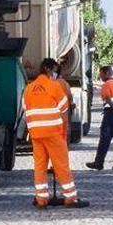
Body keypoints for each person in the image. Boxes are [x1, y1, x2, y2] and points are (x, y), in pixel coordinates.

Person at [23, 58, 89, 209]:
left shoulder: (28, 88)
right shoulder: (54, 87)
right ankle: (71, 198)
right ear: (47, 69)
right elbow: (64, 112)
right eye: (54, 70)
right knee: (61, 166)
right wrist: (64, 135)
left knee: (40, 166)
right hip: (53, 133)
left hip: (36, 134)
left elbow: (26, 110)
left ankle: (41, 200)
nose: (55, 74)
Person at [86, 66, 113, 171]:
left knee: (104, 140)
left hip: (110, 114)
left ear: (106, 73)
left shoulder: (106, 85)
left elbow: (108, 99)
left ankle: (98, 163)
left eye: (101, 74)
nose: (100, 76)